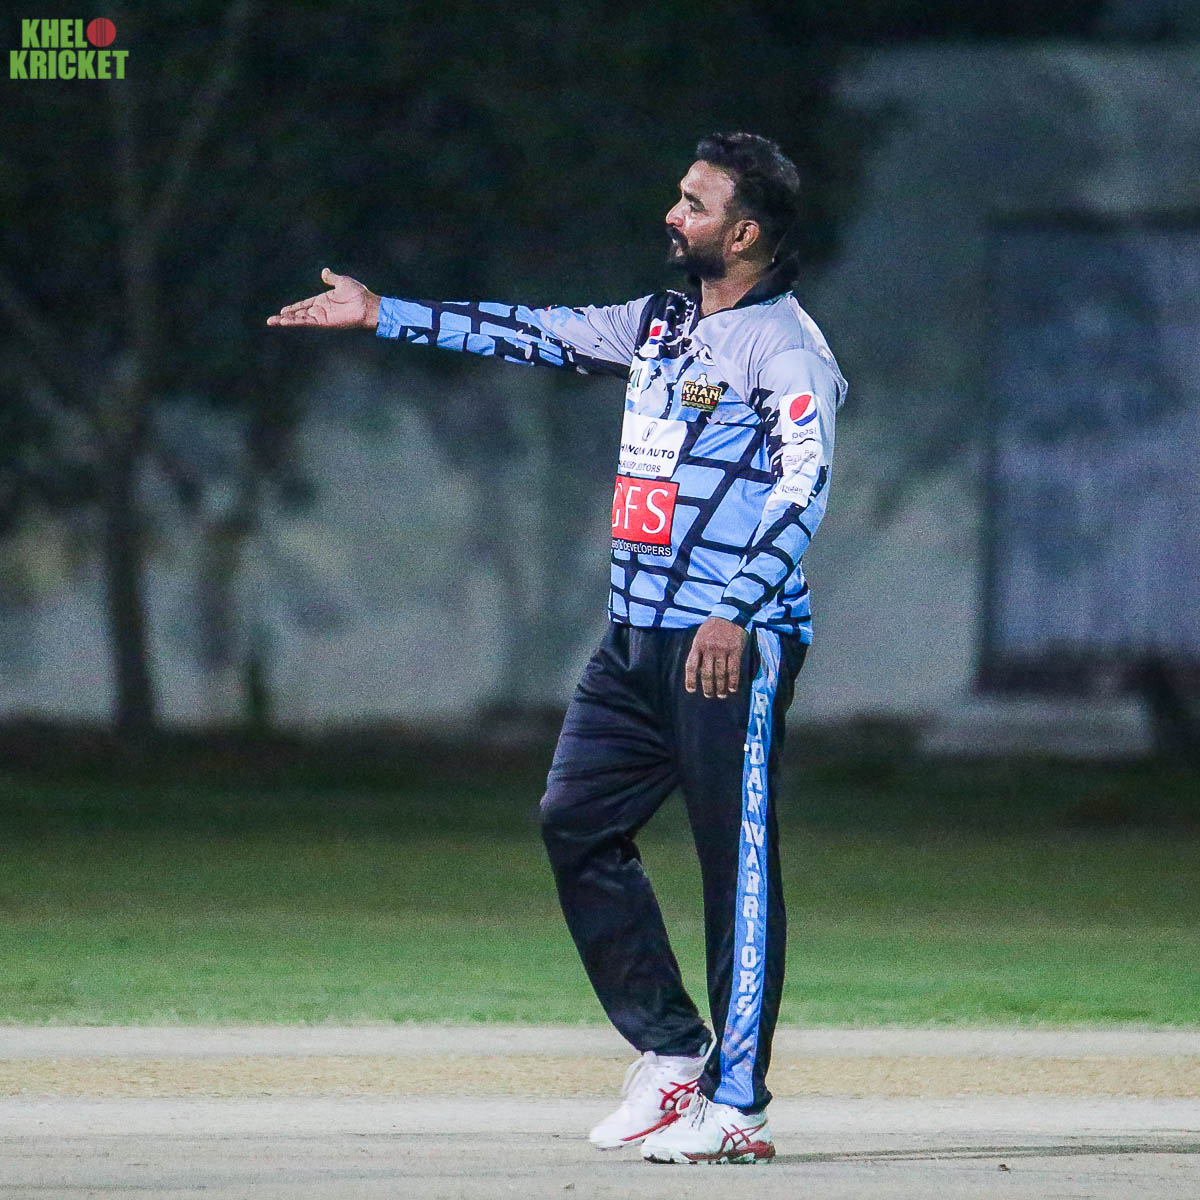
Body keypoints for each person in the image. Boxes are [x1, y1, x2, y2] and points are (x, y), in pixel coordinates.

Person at [268, 131, 847, 1165]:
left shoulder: (784, 346)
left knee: (737, 868)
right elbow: (534, 333)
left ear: (745, 234)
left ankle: (738, 1108)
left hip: (729, 640)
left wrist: (735, 609)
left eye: (695, 203)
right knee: (575, 820)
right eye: (679, 196)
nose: (672, 213)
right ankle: (673, 1054)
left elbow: (805, 486)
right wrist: (383, 311)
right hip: (634, 639)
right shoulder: (662, 323)